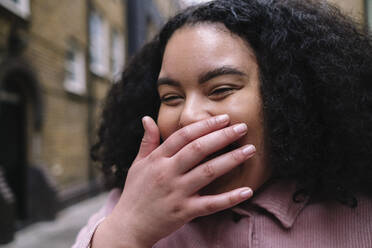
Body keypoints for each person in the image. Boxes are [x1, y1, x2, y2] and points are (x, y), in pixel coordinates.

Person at [73, 0, 372, 247]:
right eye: (171, 97)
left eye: (221, 89)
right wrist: (128, 230)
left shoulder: (358, 214)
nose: (188, 116)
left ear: (284, 97)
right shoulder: (127, 205)